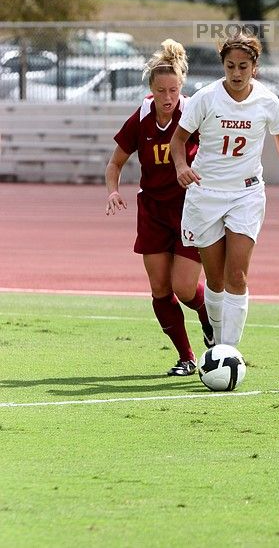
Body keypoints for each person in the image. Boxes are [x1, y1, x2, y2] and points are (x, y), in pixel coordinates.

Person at [170, 32, 279, 348]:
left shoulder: (267, 101)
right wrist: (181, 167)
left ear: (255, 66)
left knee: (237, 276)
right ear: (223, 66)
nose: (237, 73)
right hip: (206, 194)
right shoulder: (206, 97)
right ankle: (216, 337)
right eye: (231, 66)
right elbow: (178, 141)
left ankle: (229, 350)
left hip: (246, 195)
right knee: (214, 281)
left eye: (243, 66)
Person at [105, 39, 214, 377]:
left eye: (174, 90)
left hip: (188, 208)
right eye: (161, 90)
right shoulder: (140, 117)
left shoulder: (194, 112)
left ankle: (208, 317)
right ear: (151, 89)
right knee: (159, 289)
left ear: (182, 87)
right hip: (152, 210)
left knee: (184, 288)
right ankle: (186, 356)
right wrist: (112, 191)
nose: (168, 97)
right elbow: (115, 163)